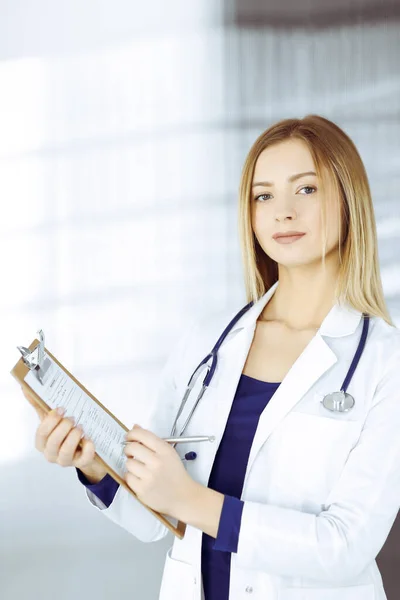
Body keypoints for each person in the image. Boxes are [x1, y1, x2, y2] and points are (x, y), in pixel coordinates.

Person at [23, 114, 400, 600]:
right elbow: (157, 519)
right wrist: (95, 466)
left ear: (349, 200)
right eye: (264, 196)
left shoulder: (384, 363)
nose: (283, 211)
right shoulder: (206, 344)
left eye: (305, 189)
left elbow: (345, 546)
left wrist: (193, 500)